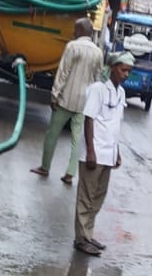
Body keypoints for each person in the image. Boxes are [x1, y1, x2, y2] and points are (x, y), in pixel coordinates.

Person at [31, 18, 104, 186]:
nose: (73, 32)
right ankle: (70, 173)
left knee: (52, 134)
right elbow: (98, 78)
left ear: (79, 31)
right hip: (85, 103)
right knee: (77, 139)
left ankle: (45, 167)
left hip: (65, 99)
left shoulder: (72, 46)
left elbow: (63, 72)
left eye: (75, 29)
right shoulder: (98, 52)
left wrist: (55, 94)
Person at [74, 51, 133, 256]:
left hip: (108, 153)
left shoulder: (121, 93)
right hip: (95, 152)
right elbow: (89, 119)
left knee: (98, 196)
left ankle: (88, 234)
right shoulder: (98, 89)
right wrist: (90, 151)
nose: (126, 74)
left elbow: (116, 125)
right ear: (112, 67)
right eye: (123, 70)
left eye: (128, 71)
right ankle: (81, 239)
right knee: (86, 196)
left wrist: (117, 153)